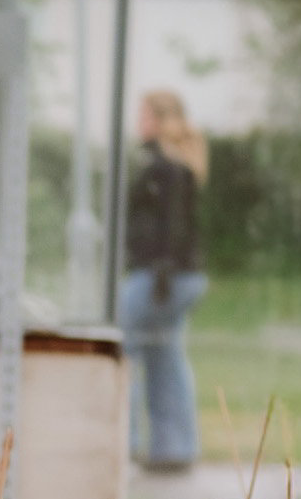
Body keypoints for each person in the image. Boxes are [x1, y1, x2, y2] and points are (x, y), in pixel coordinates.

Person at [120, 88, 209, 473]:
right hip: (181, 276)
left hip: (161, 275)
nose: (138, 122)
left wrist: (162, 269)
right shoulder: (180, 165)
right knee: (164, 354)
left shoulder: (163, 167)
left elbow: (171, 224)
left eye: (143, 115)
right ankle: (175, 448)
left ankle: (123, 441)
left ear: (158, 119)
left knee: (118, 351)